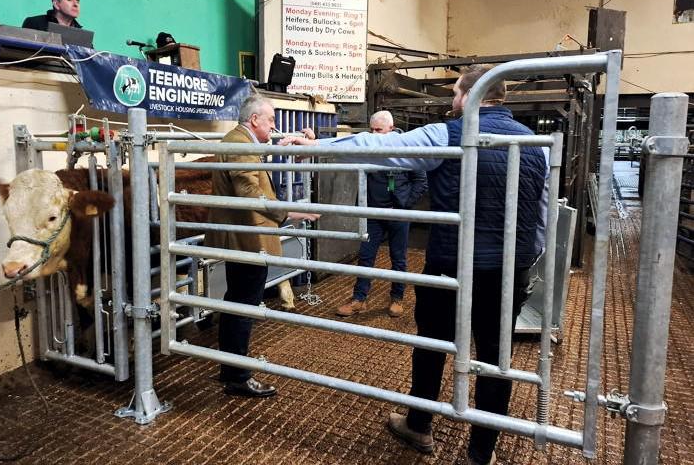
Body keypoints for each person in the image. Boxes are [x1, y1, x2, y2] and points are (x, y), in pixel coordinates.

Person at [280, 65, 548, 465]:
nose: (454, 102)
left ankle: (420, 425)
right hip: (508, 270)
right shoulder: (536, 144)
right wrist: (528, 259)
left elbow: (377, 149)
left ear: (468, 96)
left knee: (432, 344)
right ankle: (480, 454)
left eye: (456, 94)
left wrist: (310, 146)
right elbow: (541, 215)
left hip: (450, 265)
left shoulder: (449, 133)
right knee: (495, 358)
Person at [205, 94, 319, 398]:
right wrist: (288, 211)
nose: (274, 125)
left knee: (235, 303)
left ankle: (230, 369)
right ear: (254, 119)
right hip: (247, 239)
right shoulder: (241, 143)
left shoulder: (241, 139)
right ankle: (238, 376)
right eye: (270, 119)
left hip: (244, 236)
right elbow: (247, 189)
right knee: (243, 306)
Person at [336, 110, 427, 318]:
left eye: (379, 130)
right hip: (373, 213)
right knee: (366, 257)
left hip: (398, 213)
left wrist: (405, 204)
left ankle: (397, 298)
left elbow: (421, 181)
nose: (374, 134)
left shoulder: (407, 149)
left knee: (399, 258)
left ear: (392, 129)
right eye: (372, 130)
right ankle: (359, 299)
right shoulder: (369, 149)